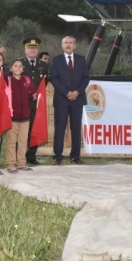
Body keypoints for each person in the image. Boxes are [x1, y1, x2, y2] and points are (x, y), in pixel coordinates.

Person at [50, 36, 90, 165]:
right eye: (66, 43)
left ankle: (75, 156)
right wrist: (66, 93)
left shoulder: (81, 60)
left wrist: (77, 92)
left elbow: (85, 78)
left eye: (71, 43)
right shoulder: (56, 60)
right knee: (60, 128)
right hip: (62, 99)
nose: (68, 45)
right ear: (62, 45)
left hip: (78, 100)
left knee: (76, 128)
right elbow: (54, 79)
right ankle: (57, 156)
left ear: (75, 45)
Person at [21, 38, 48, 165]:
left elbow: (45, 83)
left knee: (34, 129)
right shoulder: (19, 63)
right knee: (21, 130)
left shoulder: (44, 66)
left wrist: (39, 94)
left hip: (36, 104)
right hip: (21, 103)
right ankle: (19, 156)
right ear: (25, 50)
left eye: (35, 48)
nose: (32, 50)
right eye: (30, 48)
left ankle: (31, 156)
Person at [7, 58, 34, 172]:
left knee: (23, 141)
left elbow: (33, 93)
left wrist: (36, 95)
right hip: (12, 117)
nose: (18, 68)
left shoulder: (27, 80)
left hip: (25, 117)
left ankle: (21, 163)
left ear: (23, 69)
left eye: (20, 66)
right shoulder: (7, 80)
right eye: (15, 66)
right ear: (11, 68)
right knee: (11, 141)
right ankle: (10, 164)